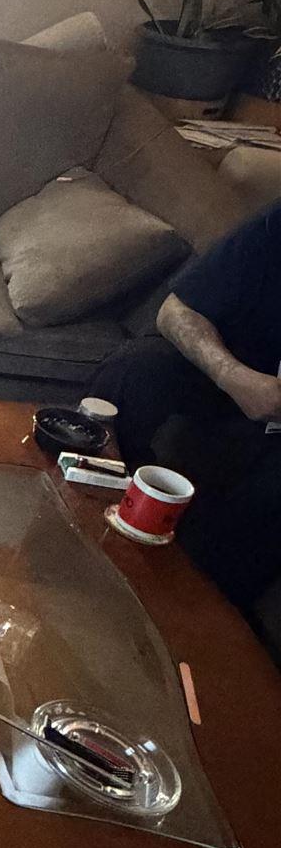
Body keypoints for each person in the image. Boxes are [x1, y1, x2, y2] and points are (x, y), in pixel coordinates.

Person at [91, 201, 281, 616]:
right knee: (135, 370)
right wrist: (235, 377)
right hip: (236, 376)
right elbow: (176, 310)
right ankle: (91, 511)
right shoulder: (274, 224)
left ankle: (201, 615)